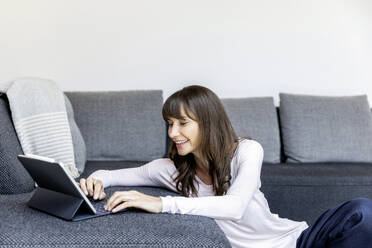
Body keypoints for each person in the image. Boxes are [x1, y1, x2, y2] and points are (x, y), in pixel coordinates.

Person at [78, 85, 372, 248]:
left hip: (297, 240)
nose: (172, 133)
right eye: (169, 124)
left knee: (362, 211)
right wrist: (95, 180)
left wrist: (161, 203)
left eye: (182, 123)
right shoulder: (170, 169)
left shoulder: (246, 150)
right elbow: (110, 173)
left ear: (207, 122)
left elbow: (235, 207)